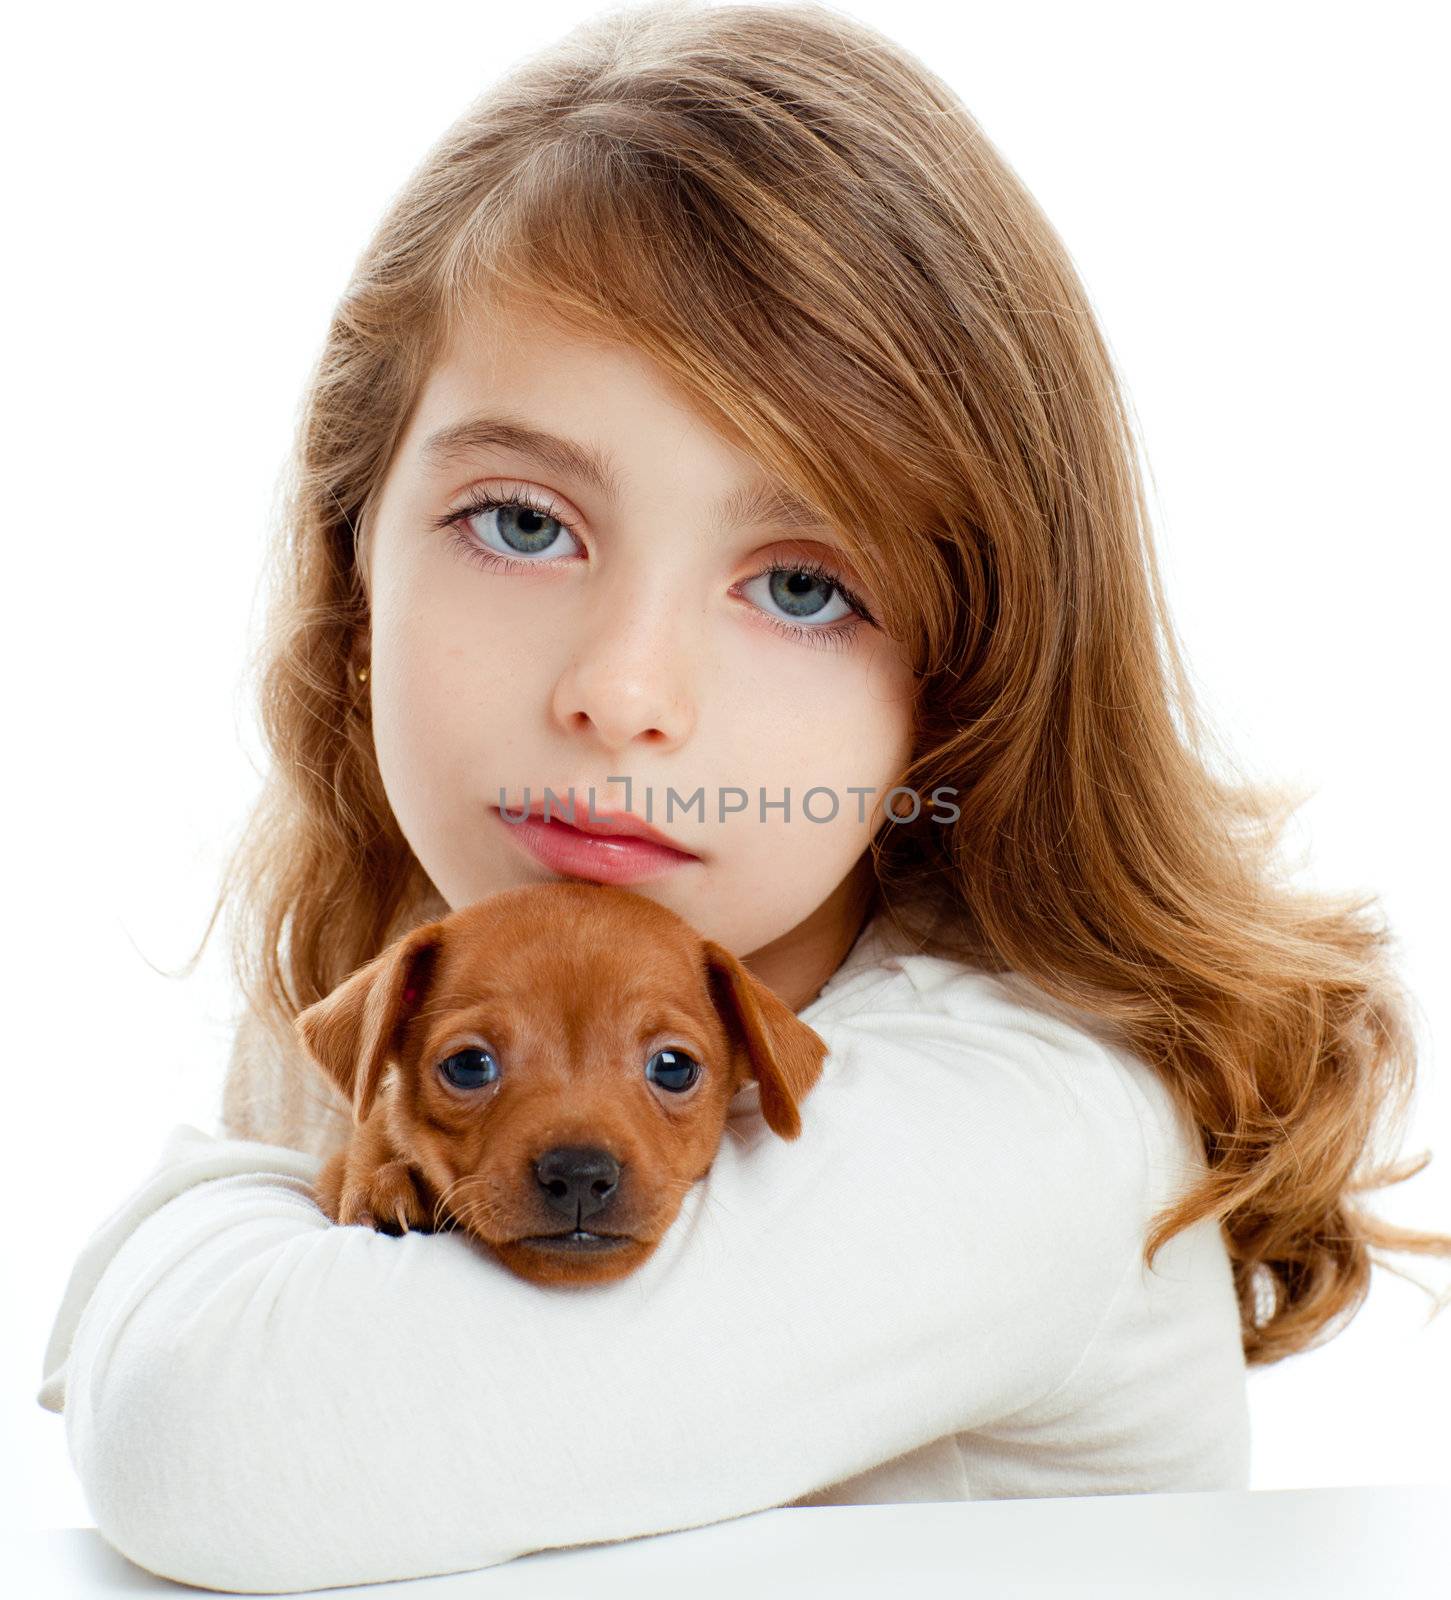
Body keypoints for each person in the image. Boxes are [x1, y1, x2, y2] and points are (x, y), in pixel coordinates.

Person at [37, 1, 1451, 1591]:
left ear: (963, 686)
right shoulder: (437, 991)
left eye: (800, 587)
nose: (624, 693)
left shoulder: (1024, 1123)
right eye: (521, 523)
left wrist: (196, 1223)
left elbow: (223, 1444)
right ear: (349, 565)